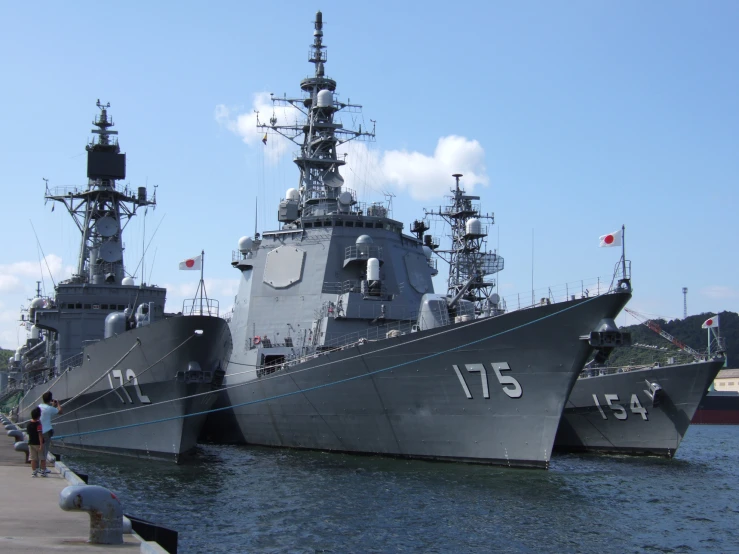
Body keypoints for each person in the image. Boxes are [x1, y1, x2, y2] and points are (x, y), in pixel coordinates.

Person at [38, 391, 63, 475]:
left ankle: (38, 467)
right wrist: (58, 404)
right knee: (44, 450)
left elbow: (47, 412)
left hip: (38, 432)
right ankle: (43, 469)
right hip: (46, 432)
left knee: (39, 449)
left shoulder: (39, 407)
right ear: (50, 399)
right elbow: (60, 411)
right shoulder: (50, 408)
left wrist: (52, 405)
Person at [26, 407, 44, 477]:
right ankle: (43, 471)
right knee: (42, 458)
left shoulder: (28, 424)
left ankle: (34, 471)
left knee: (33, 458)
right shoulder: (38, 424)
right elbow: (40, 434)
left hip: (31, 443)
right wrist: (41, 444)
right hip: (38, 443)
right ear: (39, 416)